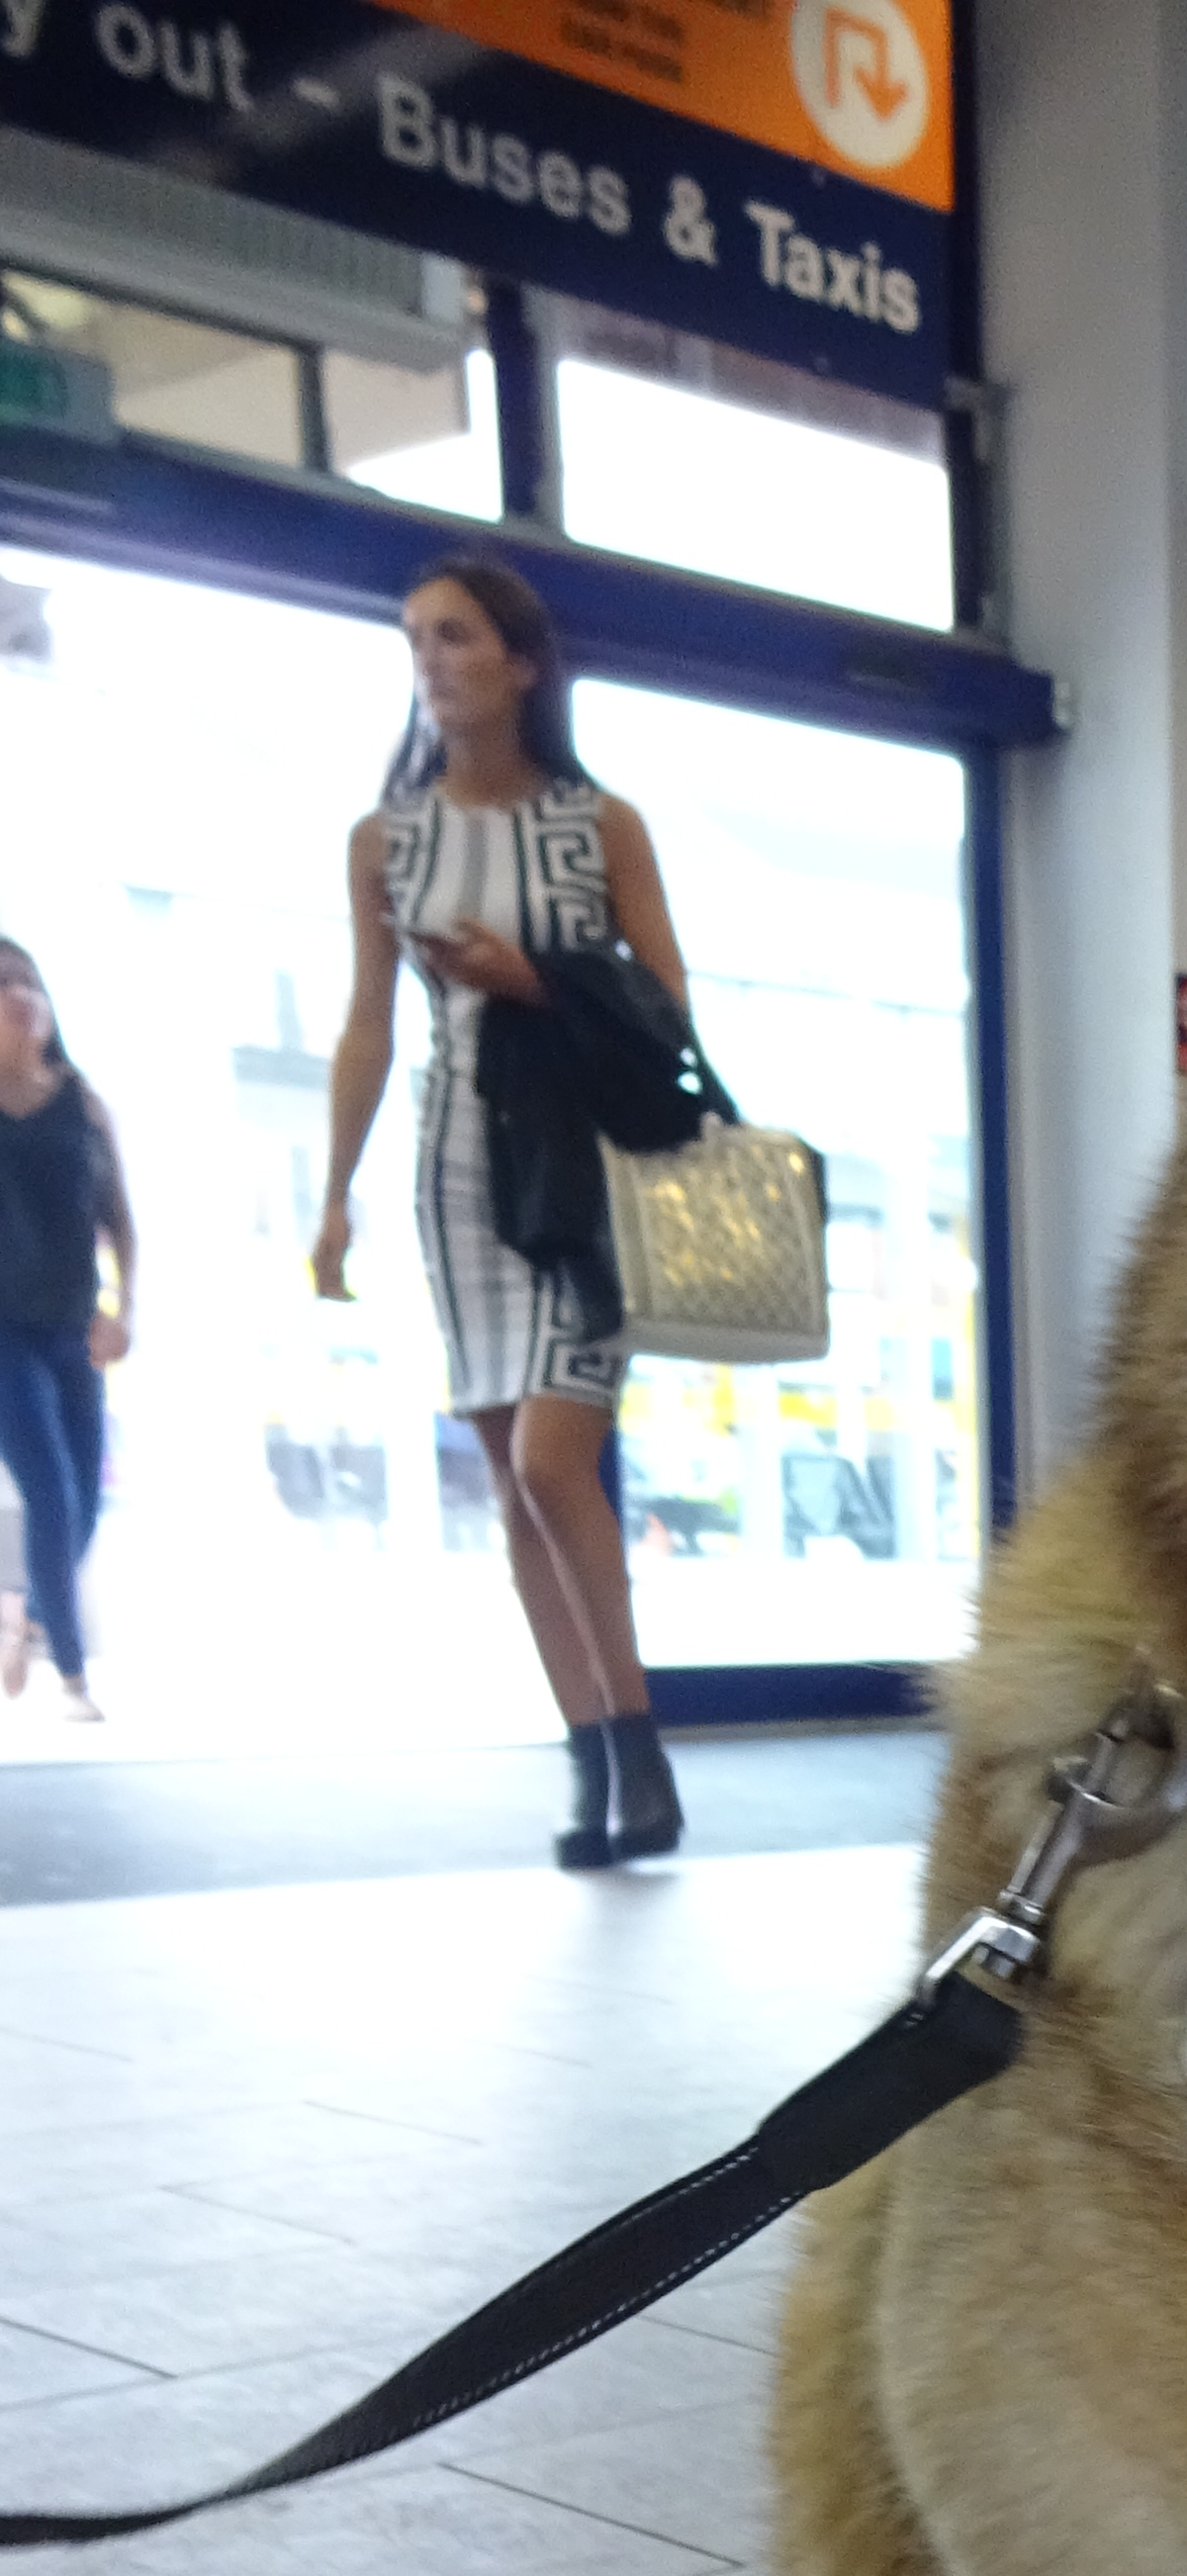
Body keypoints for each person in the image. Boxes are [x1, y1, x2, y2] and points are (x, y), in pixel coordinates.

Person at [313, 556, 687, 1869]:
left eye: (457, 635)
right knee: (509, 1483)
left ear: (523, 664)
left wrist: (530, 976)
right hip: (456, 1169)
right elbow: (368, 1025)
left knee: (550, 1460)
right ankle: (594, 1764)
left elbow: (666, 1005)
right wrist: (333, 1198)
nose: (431, 658)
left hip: (585, 1174)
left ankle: (642, 1752)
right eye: (417, 636)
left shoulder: (600, 825)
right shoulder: (386, 839)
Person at [0, 935, 135, 1727]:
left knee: (85, 1500)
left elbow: (120, 1219)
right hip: (3, 1334)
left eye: (29, 982)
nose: (21, 996)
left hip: (73, 1325)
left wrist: (125, 1308)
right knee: (50, 1488)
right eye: (3, 984)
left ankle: (23, 1615)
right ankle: (73, 1679)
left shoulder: (82, 1103)